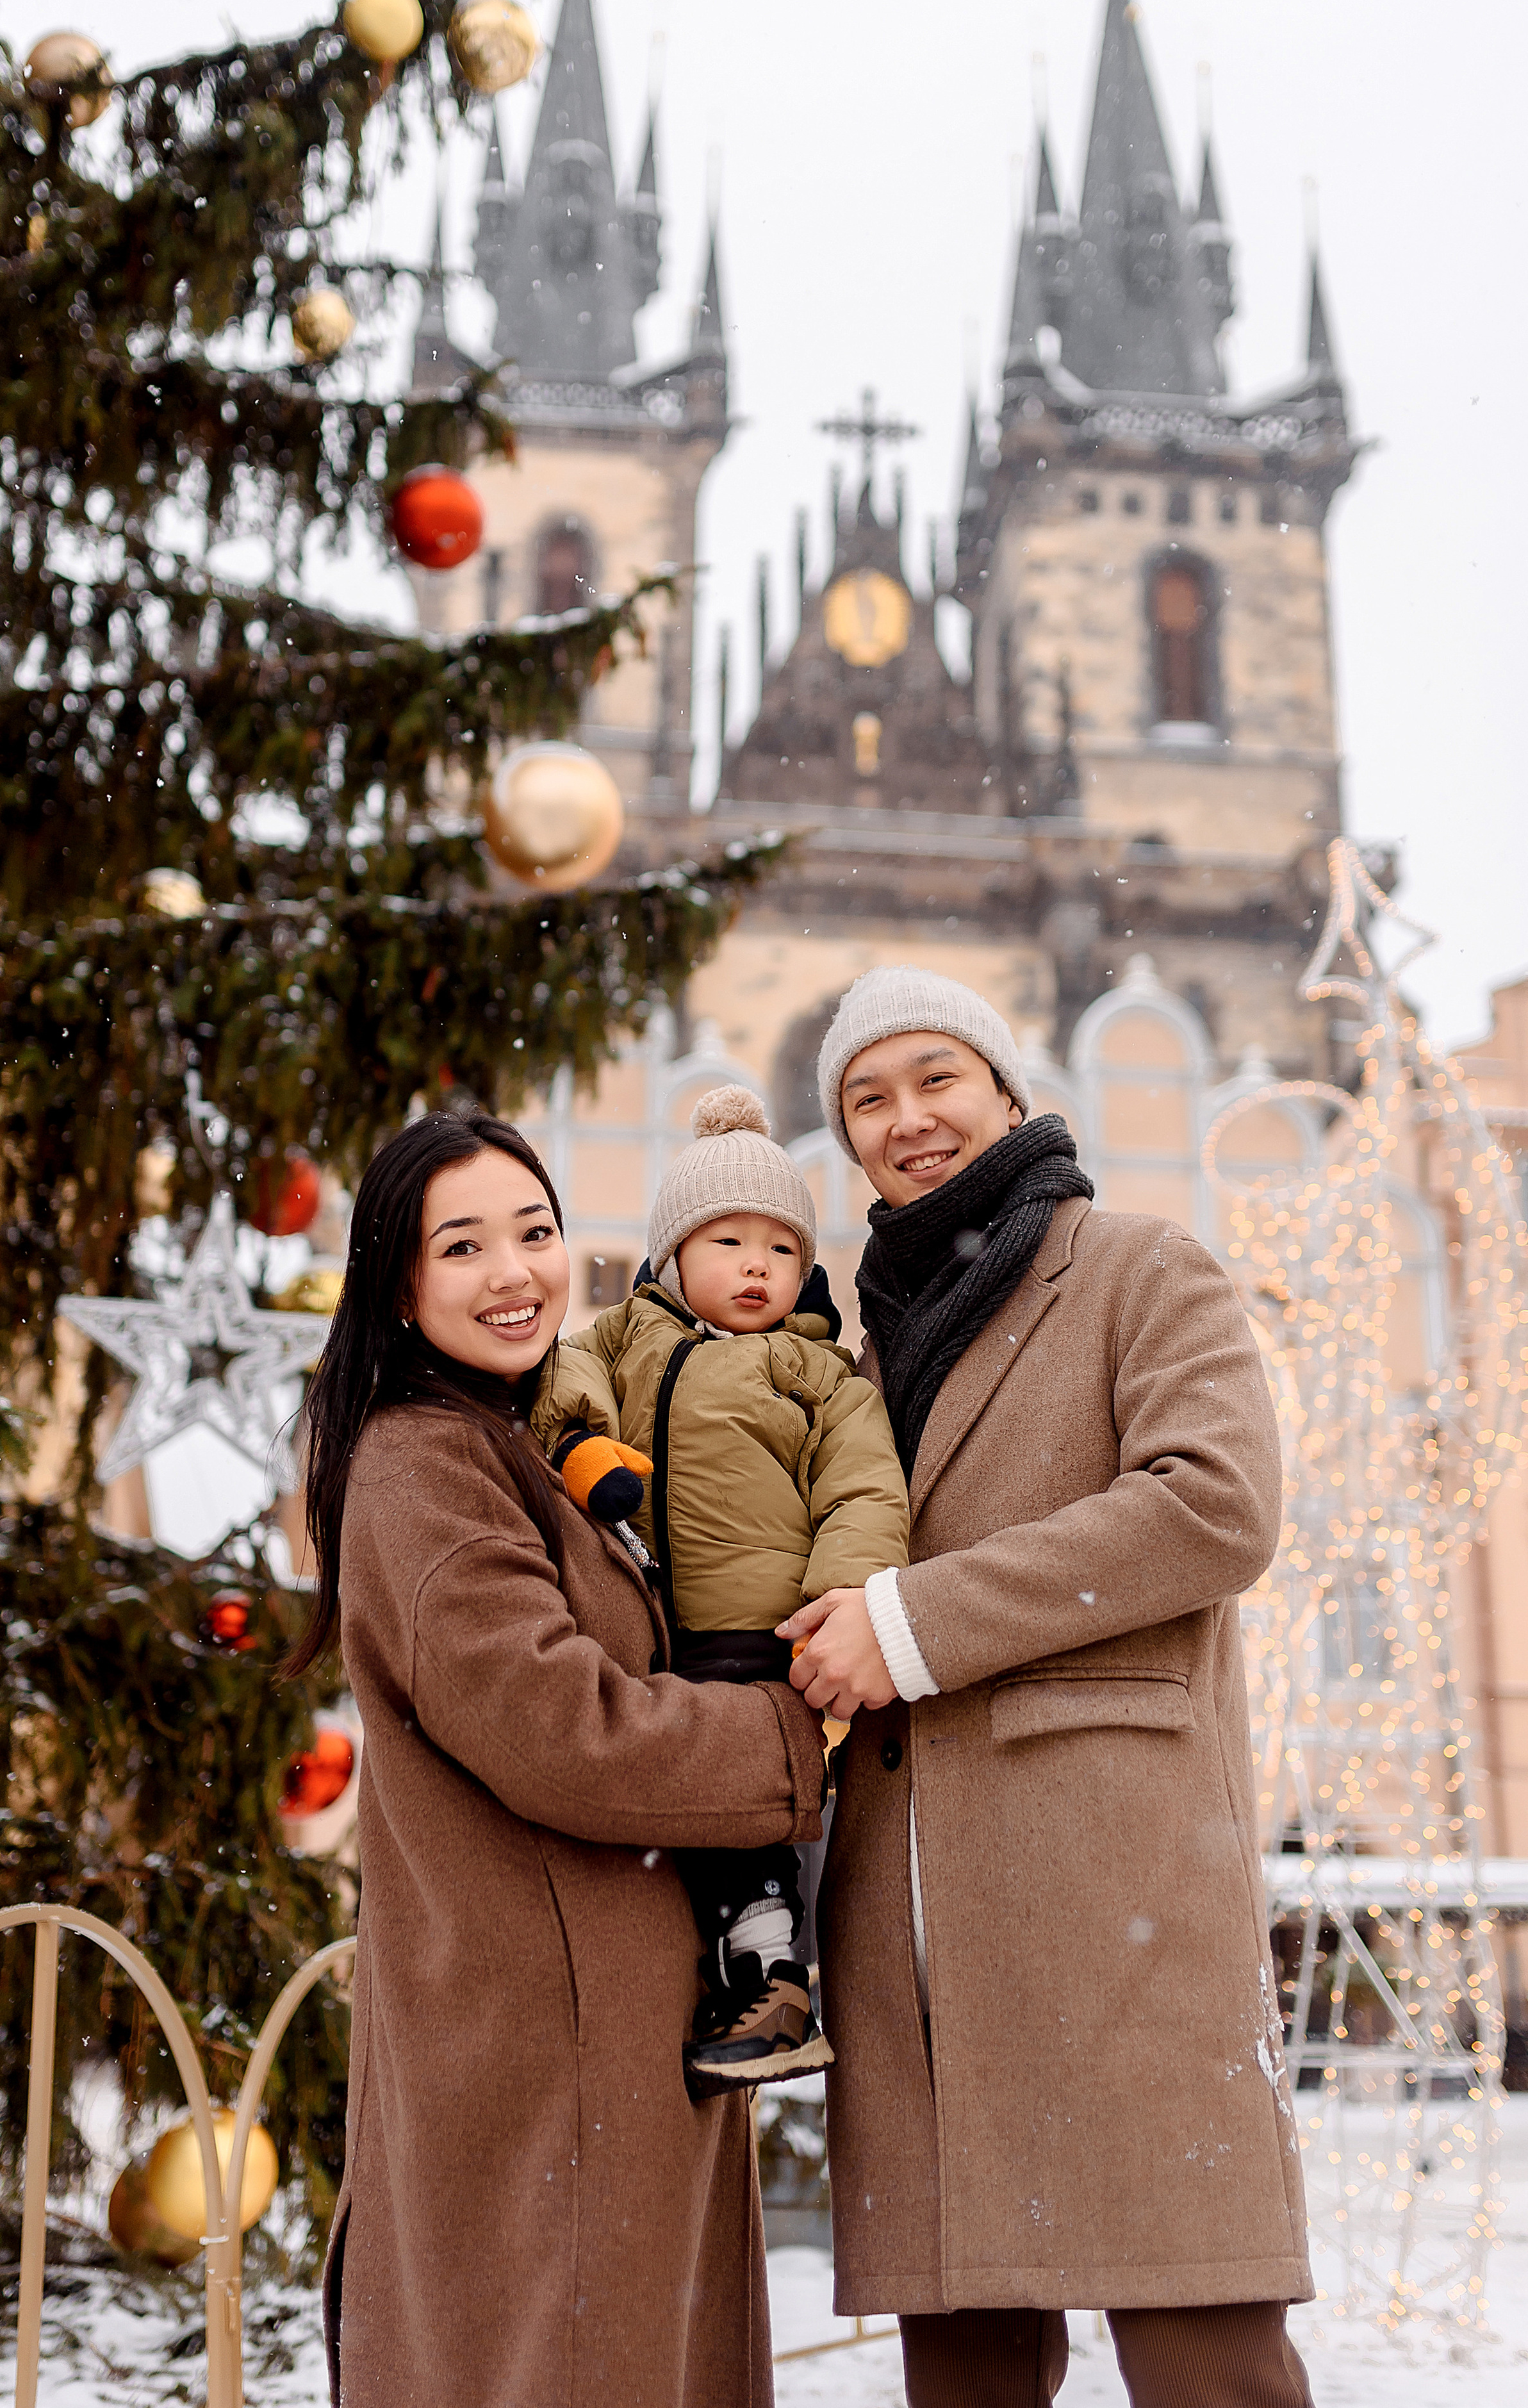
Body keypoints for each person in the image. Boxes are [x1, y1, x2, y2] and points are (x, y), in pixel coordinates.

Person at [778, 966, 1316, 2408]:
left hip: (1115, 1892)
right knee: (964, 2372)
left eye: (934, 1078)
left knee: (1205, 2355)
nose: (905, 1118)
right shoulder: (855, 1352)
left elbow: (1214, 1506)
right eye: (866, 1098)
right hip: (908, 1926)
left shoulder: (1141, 1269)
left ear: (1006, 1090)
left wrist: (913, 1623)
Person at [287, 1109, 828, 2408]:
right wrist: (791, 1735)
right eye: (461, 1246)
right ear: (398, 1285)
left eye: (533, 1232)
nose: (513, 1273)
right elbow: (564, 1734)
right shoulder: (424, 1465)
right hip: (547, 2048)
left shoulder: (528, 1435)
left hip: (602, 2031)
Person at [533, 1084, 907, 2092]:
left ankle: (777, 1988)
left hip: (757, 1635)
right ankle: (721, 1982)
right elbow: (558, 1376)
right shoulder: (627, 1336)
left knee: (747, 1814)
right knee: (662, 1815)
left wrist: (840, 1600)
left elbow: (865, 1492)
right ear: (671, 1255)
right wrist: (581, 1449)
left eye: (781, 1248)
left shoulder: (818, 1374)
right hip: (642, 1630)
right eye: (729, 1242)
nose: (756, 1266)